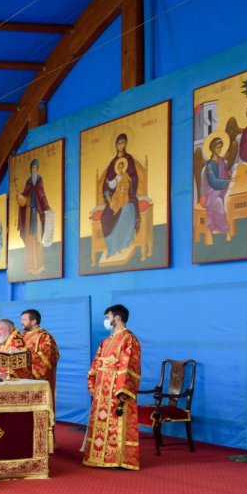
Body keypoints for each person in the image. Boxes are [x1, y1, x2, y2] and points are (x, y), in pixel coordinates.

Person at [82, 304, 141, 470]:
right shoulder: (106, 341)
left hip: (116, 389)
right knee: (101, 424)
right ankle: (99, 457)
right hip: (102, 389)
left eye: (107, 317)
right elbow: (96, 363)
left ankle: (118, 459)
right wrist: (92, 382)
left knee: (117, 424)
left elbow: (129, 365)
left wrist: (123, 390)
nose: (106, 321)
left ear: (117, 318)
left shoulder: (128, 339)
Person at [99, 135, 141, 263]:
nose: (120, 145)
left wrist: (127, 181)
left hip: (127, 197)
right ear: (116, 146)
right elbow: (106, 184)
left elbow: (135, 178)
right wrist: (109, 200)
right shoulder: (113, 163)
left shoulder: (129, 160)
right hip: (114, 199)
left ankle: (121, 245)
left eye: (123, 143)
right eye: (118, 143)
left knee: (126, 210)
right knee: (104, 217)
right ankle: (111, 248)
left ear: (126, 144)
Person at [20, 309, 60, 412]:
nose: (21, 322)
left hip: (39, 382)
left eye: (24, 320)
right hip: (21, 380)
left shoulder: (44, 337)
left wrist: (26, 364)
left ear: (34, 321)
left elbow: (48, 359)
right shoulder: (22, 336)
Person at [16, 158, 50, 275]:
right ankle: (30, 267)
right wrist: (20, 196)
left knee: (38, 238)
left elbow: (42, 195)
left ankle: (40, 265)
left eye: (36, 168)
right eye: (33, 168)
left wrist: (47, 207)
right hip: (29, 213)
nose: (34, 170)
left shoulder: (39, 180)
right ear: (31, 169)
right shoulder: (28, 182)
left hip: (37, 213)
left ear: (38, 169)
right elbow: (24, 197)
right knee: (29, 239)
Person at [200, 135, 232, 240]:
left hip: (223, 187)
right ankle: (225, 230)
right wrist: (226, 181)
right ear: (212, 149)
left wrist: (228, 173)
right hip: (212, 191)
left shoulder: (221, 161)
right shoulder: (209, 165)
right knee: (218, 202)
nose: (219, 149)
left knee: (230, 196)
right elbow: (213, 182)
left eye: (220, 147)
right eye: (217, 147)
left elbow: (225, 173)